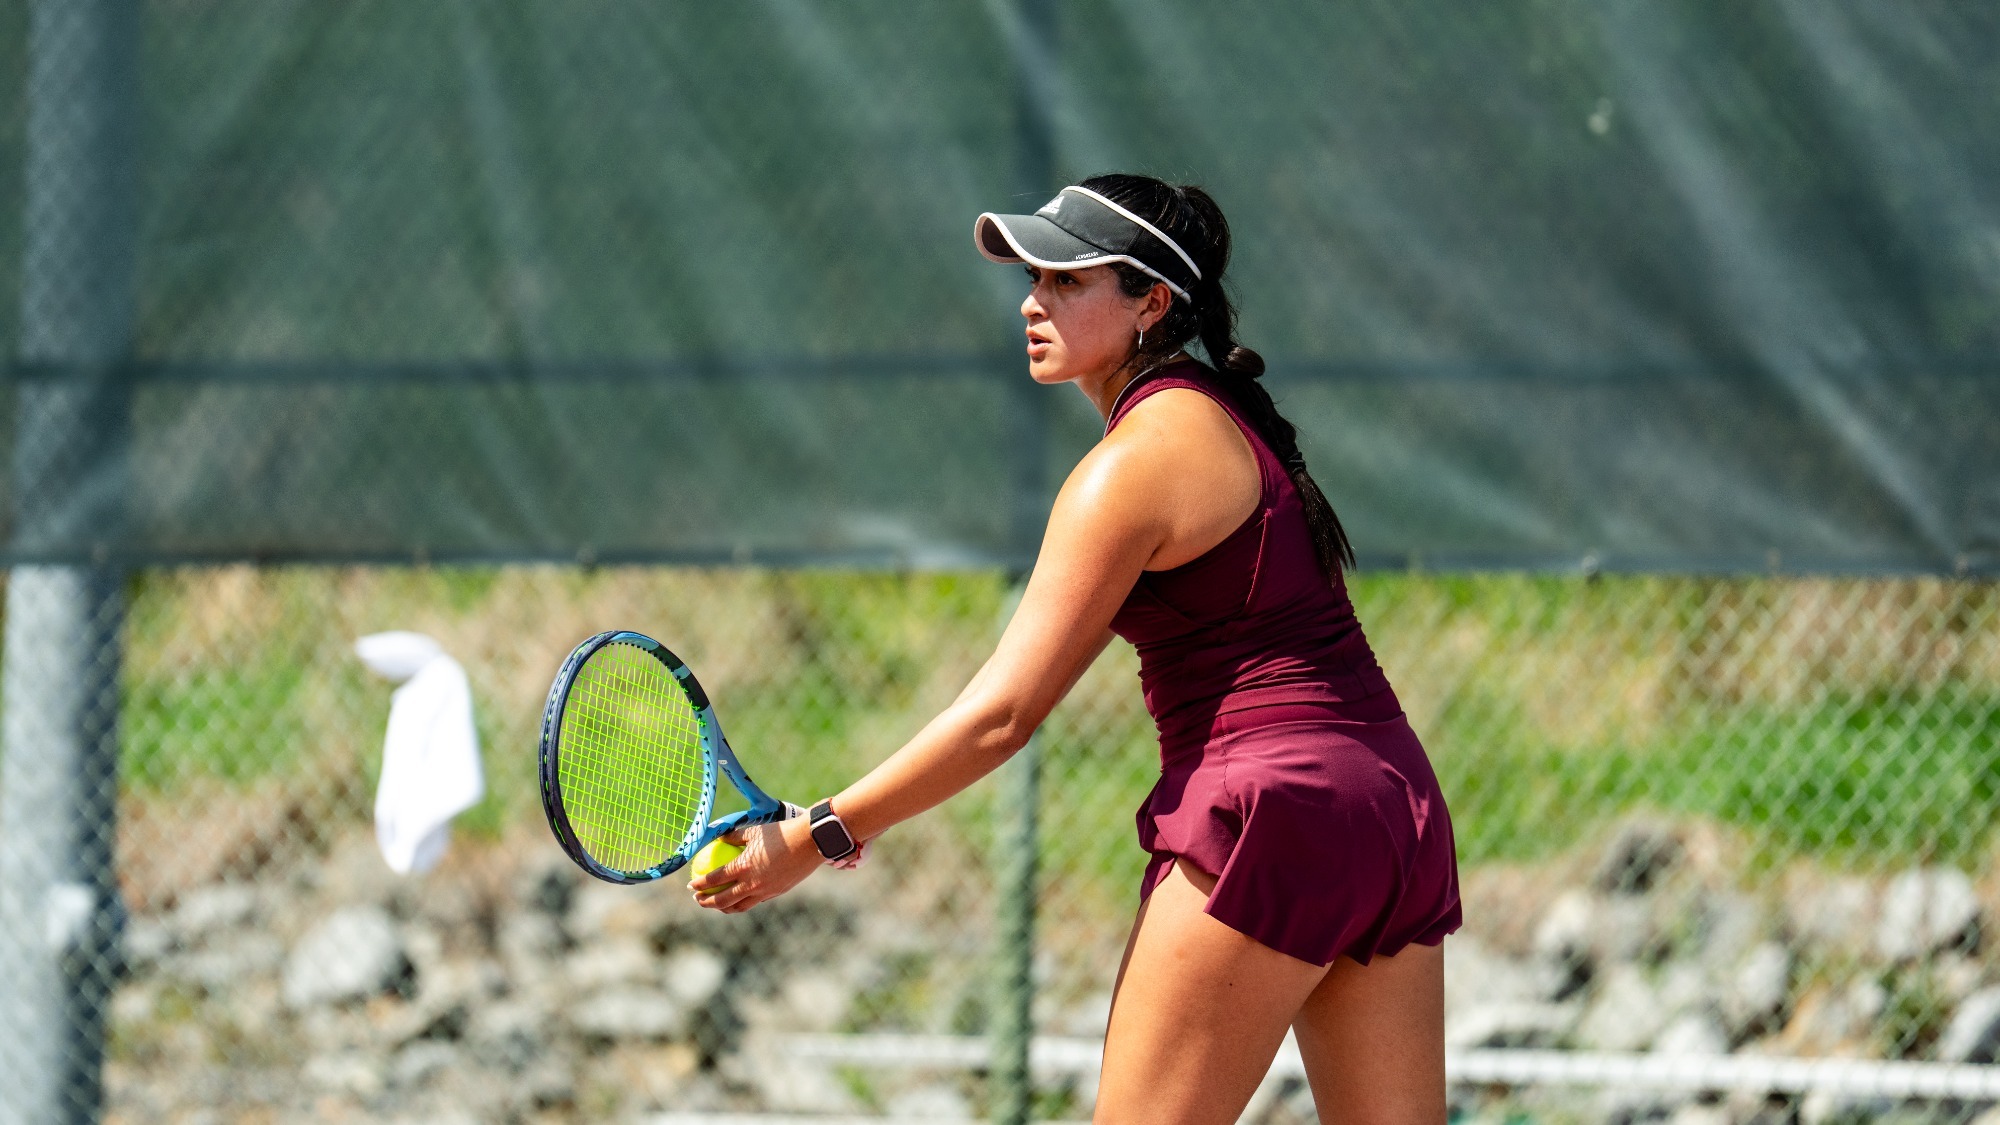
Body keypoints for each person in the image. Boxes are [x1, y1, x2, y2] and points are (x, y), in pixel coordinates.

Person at [691, 174, 1461, 1124]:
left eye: (1065, 278)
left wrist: (818, 835)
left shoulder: (1130, 466)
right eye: (1032, 276)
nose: (1032, 298)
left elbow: (1002, 716)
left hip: (1270, 812)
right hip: (1393, 809)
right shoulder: (1218, 423)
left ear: (1152, 303)